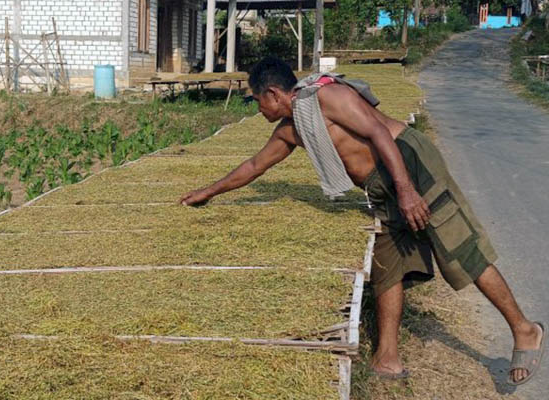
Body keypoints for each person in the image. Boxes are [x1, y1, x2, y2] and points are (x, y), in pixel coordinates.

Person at [179, 56, 544, 385]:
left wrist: (406, 190)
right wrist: (208, 192)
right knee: (387, 265)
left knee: (457, 247)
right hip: (378, 184)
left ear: (273, 94)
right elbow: (255, 166)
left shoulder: (328, 97)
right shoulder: (292, 128)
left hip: (407, 162)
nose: (257, 108)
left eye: (256, 100)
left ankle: (524, 330)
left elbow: (378, 132)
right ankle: (387, 357)